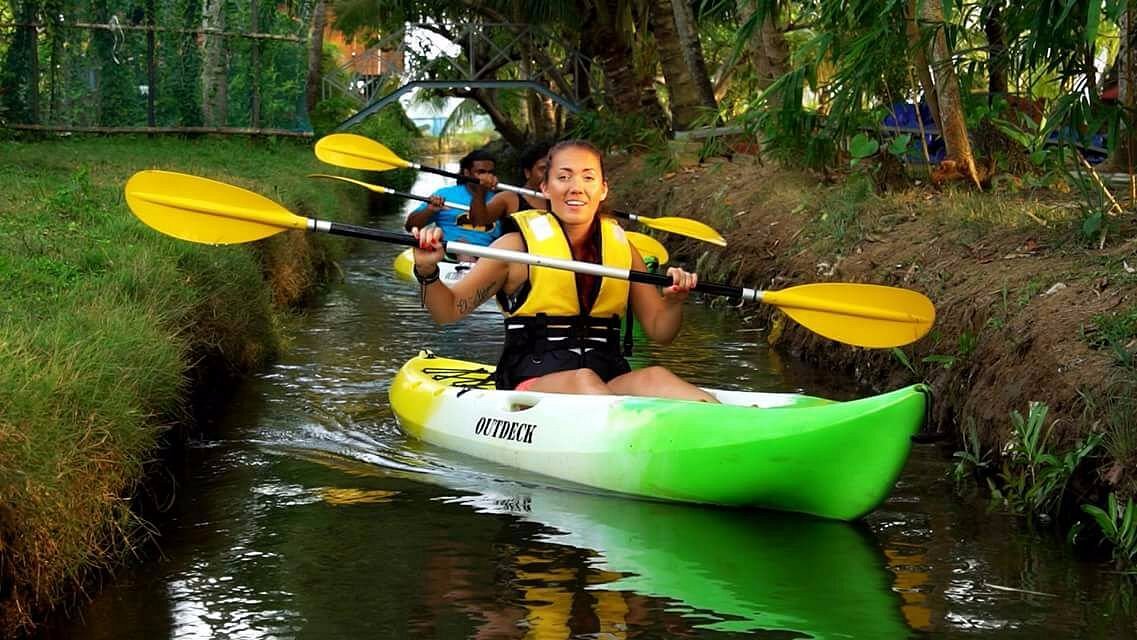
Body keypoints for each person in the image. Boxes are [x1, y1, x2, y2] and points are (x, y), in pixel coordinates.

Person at [410, 139, 717, 402]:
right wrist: (427, 271)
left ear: (603, 189)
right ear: (545, 187)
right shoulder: (514, 248)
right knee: (583, 380)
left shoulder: (622, 248)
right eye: (564, 177)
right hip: (531, 380)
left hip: (608, 377)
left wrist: (675, 302)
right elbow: (447, 311)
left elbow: (660, 332)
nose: (576, 188)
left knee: (655, 377)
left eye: (588, 177)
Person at [404, 149, 499, 260]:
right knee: (461, 244)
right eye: (481, 172)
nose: (487, 177)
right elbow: (410, 226)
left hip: (488, 258)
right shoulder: (445, 195)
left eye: (490, 172)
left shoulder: (501, 200)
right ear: (467, 173)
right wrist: (429, 210)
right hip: (450, 253)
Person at [467, 142, 551, 228]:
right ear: (527, 172)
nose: (549, 174)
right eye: (543, 169)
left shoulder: (559, 199)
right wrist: (480, 192)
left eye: (553, 169)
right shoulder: (508, 198)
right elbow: (478, 221)